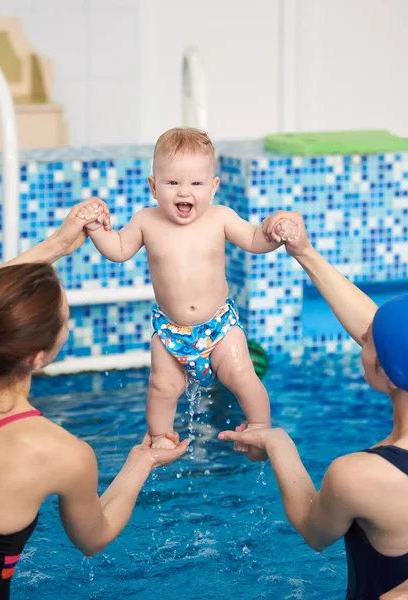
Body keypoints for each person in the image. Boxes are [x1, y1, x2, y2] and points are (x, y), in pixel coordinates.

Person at [0, 199, 188, 600]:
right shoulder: (59, 452)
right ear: (39, 357)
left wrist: (55, 246)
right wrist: (142, 460)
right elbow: (92, 539)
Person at [219, 210, 408, 600]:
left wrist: (278, 444)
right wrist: (303, 252)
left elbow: (313, 528)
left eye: (369, 339)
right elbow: (390, 338)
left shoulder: (360, 476)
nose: (362, 336)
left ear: (390, 375)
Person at [76, 127, 301, 450]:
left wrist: (274, 231)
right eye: (172, 183)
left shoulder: (220, 217)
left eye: (196, 183)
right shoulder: (146, 221)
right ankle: (160, 439)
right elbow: (119, 250)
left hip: (219, 327)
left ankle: (260, 428)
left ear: (213, 187)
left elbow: (254, 240)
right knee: (161, 386)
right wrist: (96, 228)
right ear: (154, 187)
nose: (184, 192)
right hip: (171, 332)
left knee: (242, 375)